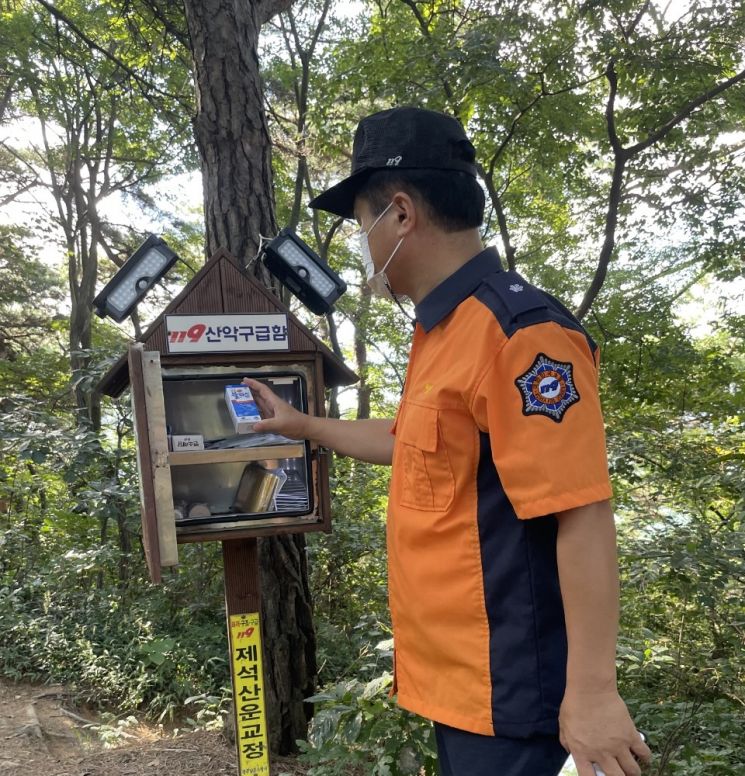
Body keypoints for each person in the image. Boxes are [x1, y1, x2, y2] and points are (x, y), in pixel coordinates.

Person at [245, 106, 652, 776]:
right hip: (460, 688)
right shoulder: (442, 332)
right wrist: (304, 427)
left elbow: (580, 511)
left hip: (515, 694)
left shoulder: (519, 332)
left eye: (362, 223)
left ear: (400, 213)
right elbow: (413, 442)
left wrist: (592, 693)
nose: (363, 243)